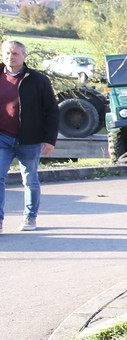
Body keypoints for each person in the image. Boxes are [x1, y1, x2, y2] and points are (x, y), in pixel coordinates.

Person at [0, 39, 59, 232]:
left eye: (15, 53)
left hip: (30, 139)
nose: (11, 57)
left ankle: (29, 217)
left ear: (24, 56)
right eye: (7, 53)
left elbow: (51, 111)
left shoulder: (38, 80)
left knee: (30, 179)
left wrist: (49, 139)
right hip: (2, 137)